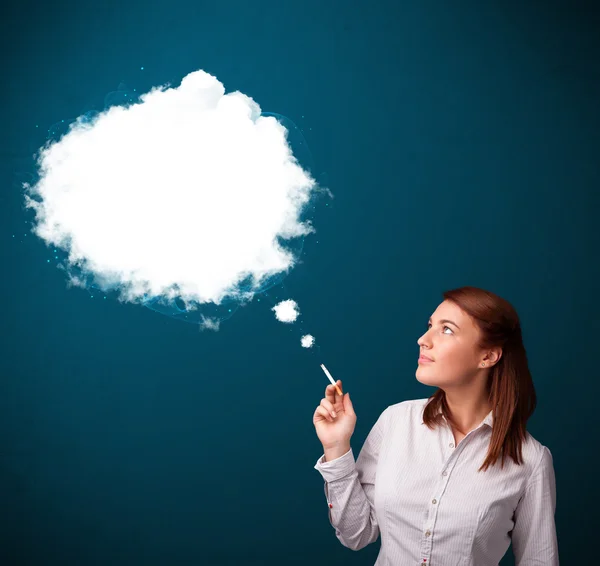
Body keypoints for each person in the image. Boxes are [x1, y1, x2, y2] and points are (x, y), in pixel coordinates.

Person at [313, 286, 559, 565]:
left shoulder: (531, 460)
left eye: (447, 330)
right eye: (430, 326)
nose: (422, 340)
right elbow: (356, 534)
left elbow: (538, 559)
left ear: (488, 356)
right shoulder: (395, 421)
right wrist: (336, 447)